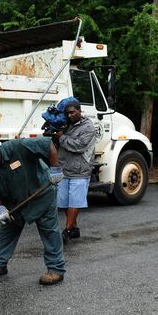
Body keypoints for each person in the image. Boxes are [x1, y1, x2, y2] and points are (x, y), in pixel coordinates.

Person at [0, 139, 66, 285]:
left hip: (40, 195)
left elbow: (47, 144)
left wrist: (56, 169)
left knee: (49, 232)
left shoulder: (17, 147)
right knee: (7, 231)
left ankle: (56, 269)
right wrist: (0, 208)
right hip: (15, 204)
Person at [53, 98, 96, 243]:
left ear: (79, 111)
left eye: (72, 112)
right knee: (64, 202)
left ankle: (66, 231)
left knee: (74, 202)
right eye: (67, 113)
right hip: (65, 168)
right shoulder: (66, 125)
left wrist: (61, 137)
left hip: (80, 170)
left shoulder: (88, 127)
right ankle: (74, 227)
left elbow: (79, 146)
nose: (70, 115)